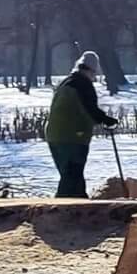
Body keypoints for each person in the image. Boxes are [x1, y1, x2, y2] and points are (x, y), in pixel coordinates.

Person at [46, 50, 117, 198]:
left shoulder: (67, 81)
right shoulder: (82, 84)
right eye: (94, 72)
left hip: (54, 135)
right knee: (72, 175)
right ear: (91, 70)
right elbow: (89, 109)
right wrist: (106, 120)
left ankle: (79, 202)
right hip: (72, 136)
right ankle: (62, 209)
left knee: (71, 175)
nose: (94, 76)